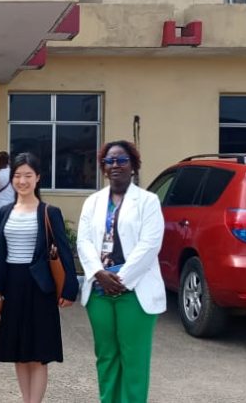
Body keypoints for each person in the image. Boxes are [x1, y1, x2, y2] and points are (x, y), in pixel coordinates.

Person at [76, 140, 165, 403]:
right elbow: (83, 242)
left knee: (134, 359)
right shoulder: (93, 202)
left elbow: (150, 245)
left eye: (122, 160)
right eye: (110, 161)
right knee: (106, 356)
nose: (116, 165)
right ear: (103, 167)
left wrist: (121, 279)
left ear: (133, 165)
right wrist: (99, 274)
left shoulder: (148, 201)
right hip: (99, 290)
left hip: (134, 291)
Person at [0, 152, 78, 403]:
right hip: (13, 284)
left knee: (39, 352)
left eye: (28, 175)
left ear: (38, 178)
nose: (22, 181)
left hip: (40, 286)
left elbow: (63, 250)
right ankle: (25, 398)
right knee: (19, 351)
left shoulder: (49, 212)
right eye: (17, 175)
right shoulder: (6, 211)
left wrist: (68, 289)